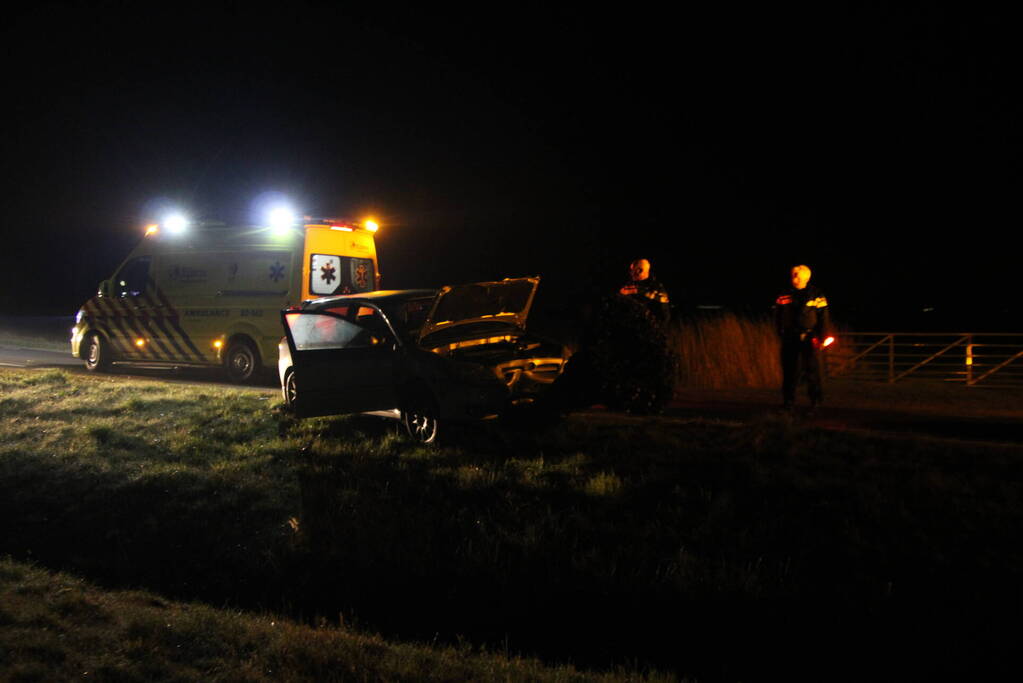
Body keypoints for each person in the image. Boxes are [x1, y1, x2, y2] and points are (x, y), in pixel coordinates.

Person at [774, 264, 831, 409]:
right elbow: (778, 315)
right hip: (789, 337)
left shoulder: (817, 294)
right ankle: (788, 401)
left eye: (796, 274)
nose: (793, 277)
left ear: (806, 277)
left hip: (809, 337)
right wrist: (780, 332)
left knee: (812, 370)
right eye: (792, 274)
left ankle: (815, 401)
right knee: (789, 370)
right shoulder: (784, 294)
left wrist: (822, 337)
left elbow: (823, 317)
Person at [619, 258, 671, 323]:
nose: (630, 272)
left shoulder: (657, 289)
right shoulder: (631, 282)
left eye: (632, 270)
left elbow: (664, 318)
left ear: (639, 271)